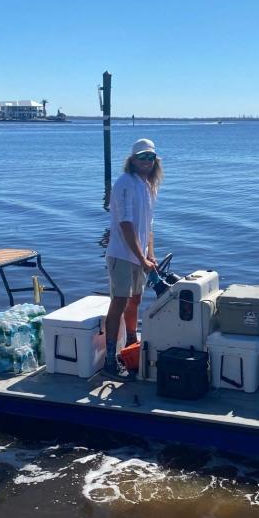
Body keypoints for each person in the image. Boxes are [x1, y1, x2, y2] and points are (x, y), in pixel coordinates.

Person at [103, 138, 164, 377]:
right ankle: (110, 357)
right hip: (121, 254)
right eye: (142, 157)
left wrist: (151, 254)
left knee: (135, 301)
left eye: (150, 157)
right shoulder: (125, 183)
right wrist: (141, 258)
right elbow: (126, 224)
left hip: (139, 257)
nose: (146, 161)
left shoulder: (147, 186)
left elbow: (148, 227)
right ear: (132, 160)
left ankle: (130, 343)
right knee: (118, 302)